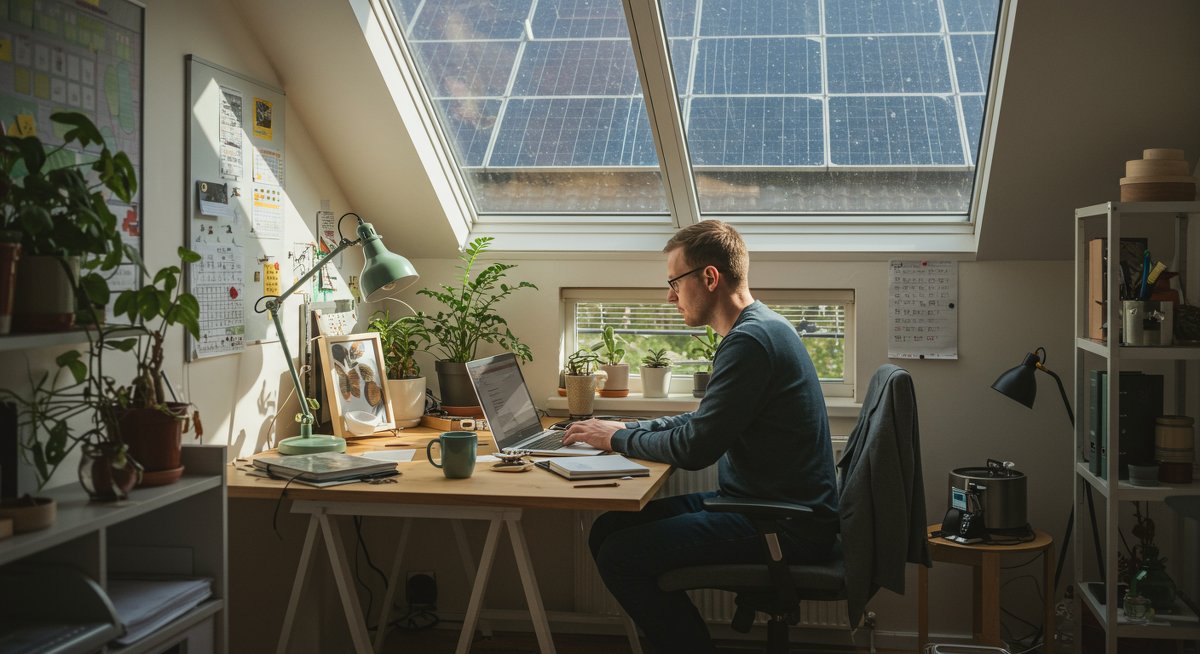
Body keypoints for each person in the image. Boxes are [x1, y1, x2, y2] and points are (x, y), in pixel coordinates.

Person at [562, 220, 839, 653]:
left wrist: (615, 441)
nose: (669, 296)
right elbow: (703, 421)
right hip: (762, 505)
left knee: (621, 555)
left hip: (783, 523)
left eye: (674, 282)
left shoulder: (750, 342)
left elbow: (695, 448)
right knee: (608, 529)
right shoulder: (758, 327)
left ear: (709, 278)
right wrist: (629, 429)